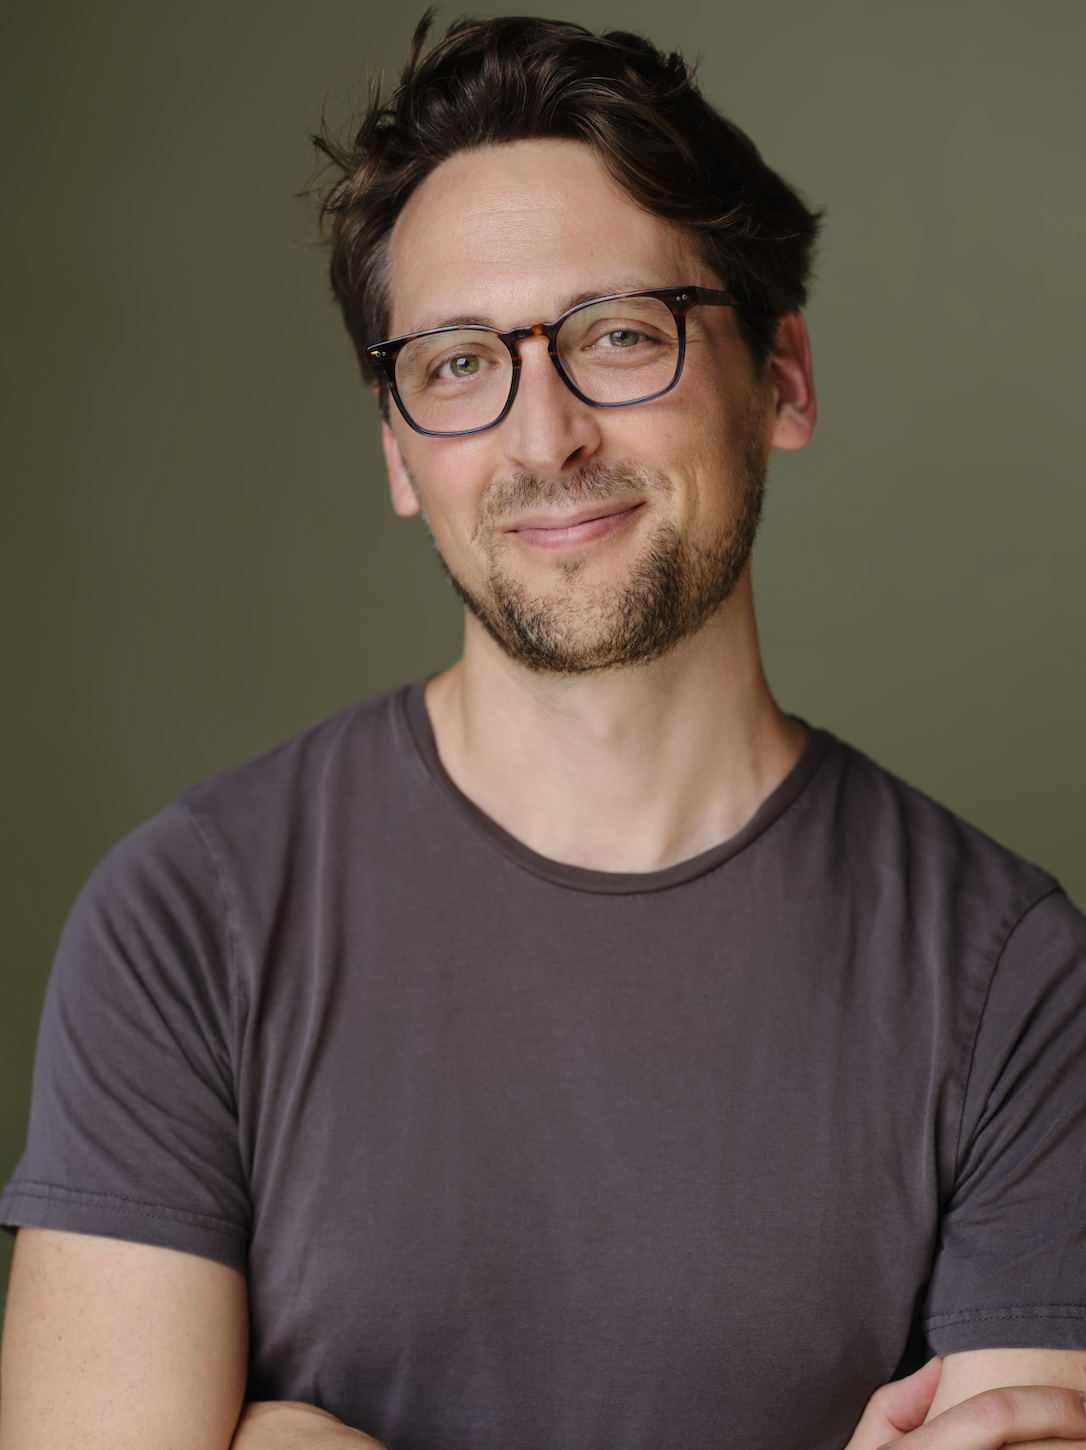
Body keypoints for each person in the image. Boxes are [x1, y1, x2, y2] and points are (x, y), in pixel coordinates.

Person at [2, 13, 1086, 1450]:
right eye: (458, 364)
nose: (542, 435)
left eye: (620, 335)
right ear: (398, 448)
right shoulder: (183, 923)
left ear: (783, 379)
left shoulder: (1009, 977)